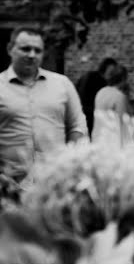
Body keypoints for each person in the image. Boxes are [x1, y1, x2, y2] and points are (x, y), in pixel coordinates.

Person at [0, 27, 88, 183]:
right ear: (10, 49)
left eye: (37, 50)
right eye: (25, 49)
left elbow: (77, 126)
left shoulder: (62, 84)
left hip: (55, 182)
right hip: (8, 184)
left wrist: (71, 163)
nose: (32, 55)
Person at [76, 56, 118, 133]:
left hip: (93, 116)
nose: (112, 75)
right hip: (88, 115)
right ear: (105, 68)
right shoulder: (92, 78)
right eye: (111, 71)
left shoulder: (106, 83)